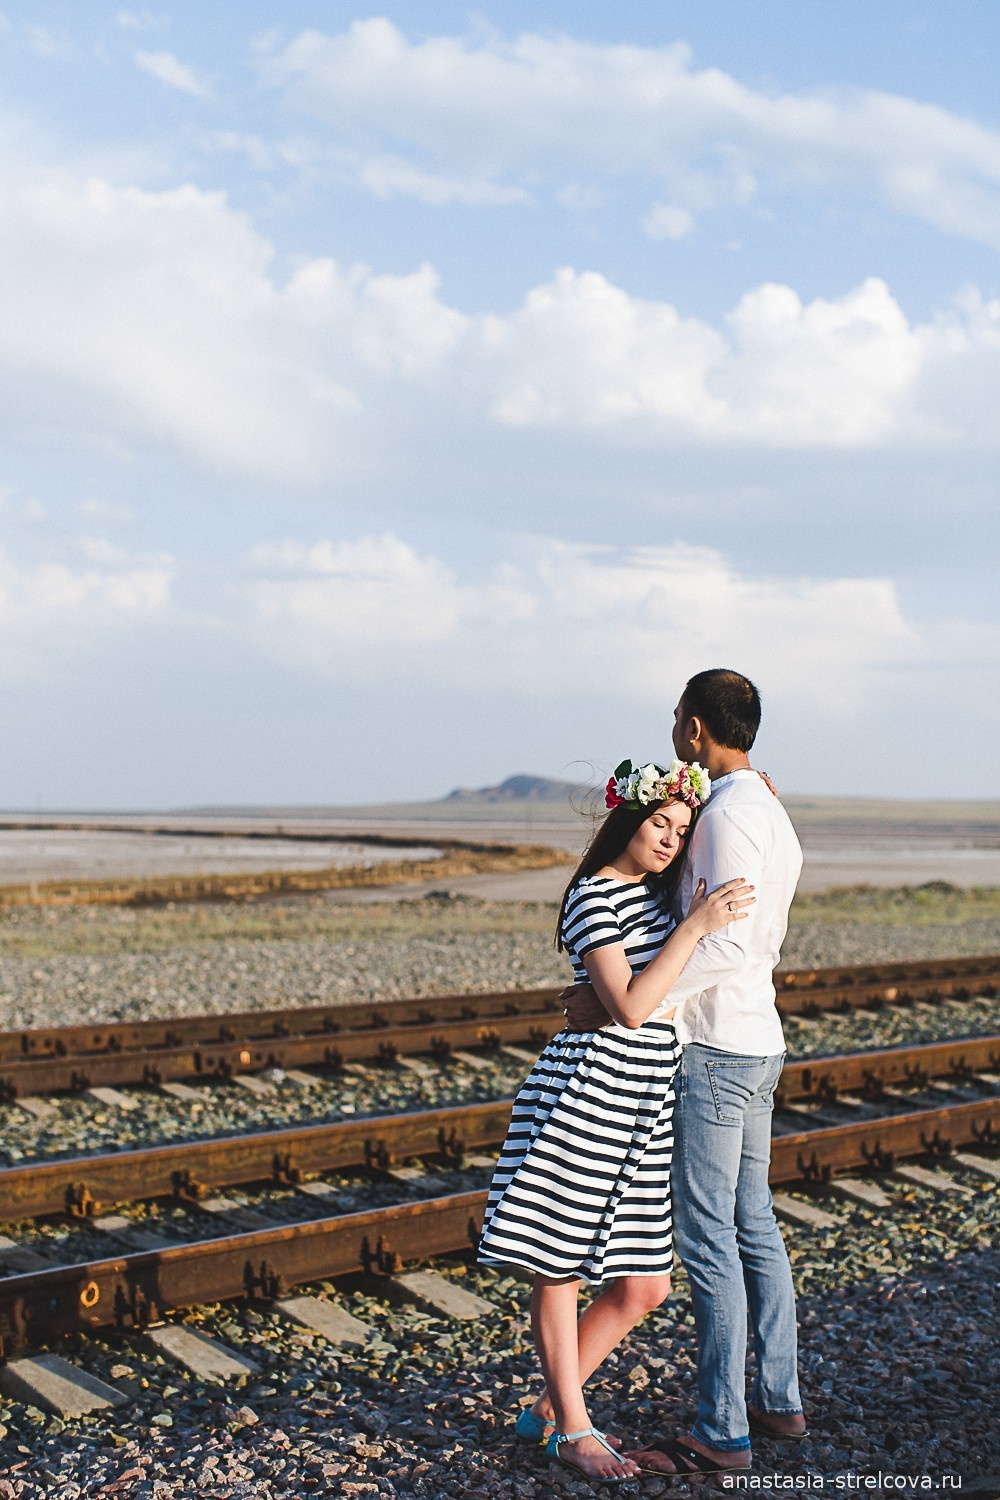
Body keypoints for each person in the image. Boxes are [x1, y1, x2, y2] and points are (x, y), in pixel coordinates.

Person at [478, 758, 755, 1486]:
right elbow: (630, 1007)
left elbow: (652, 990)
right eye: (659, 824)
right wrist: (695, 926)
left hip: (646, 1098)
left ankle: (545, 1410)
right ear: (627, 821)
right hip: (591, 1090)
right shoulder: (594, 897)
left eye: (681, 829)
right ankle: (571, 1428)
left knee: (645, 1286)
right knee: (558, 1262)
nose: (670, 840)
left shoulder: (656, 898)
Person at [564, 668, 806, 1479]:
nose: (675, 729)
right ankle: (777, 1400)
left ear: (697, 729)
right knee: (754, 1228)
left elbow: (728, 942)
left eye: (678, 719)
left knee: (710, 1241)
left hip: (716, 1046)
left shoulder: (734, 815)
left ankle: (721, 1431)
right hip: (758, 1039)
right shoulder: (767, 807)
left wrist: (635, 997)